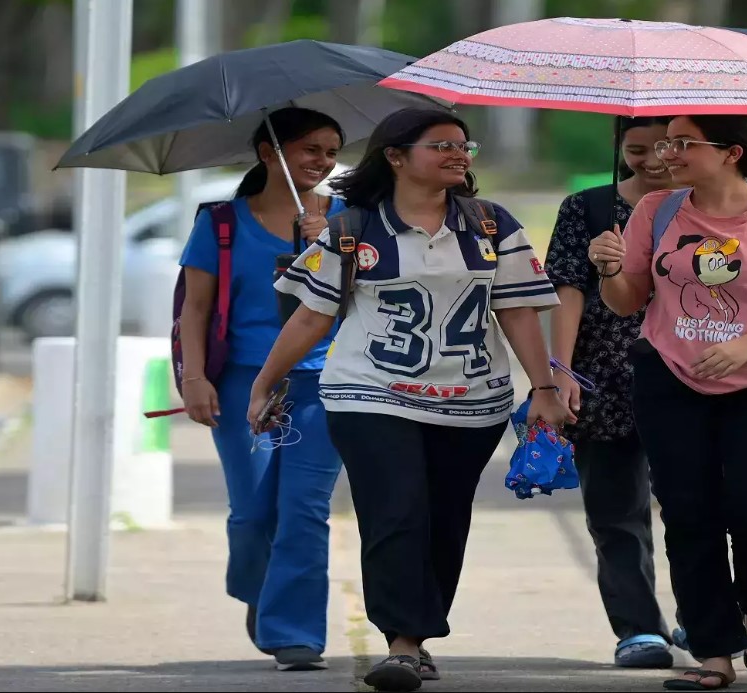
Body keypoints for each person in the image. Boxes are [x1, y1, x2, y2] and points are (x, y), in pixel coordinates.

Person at [248, 107, 574, 692]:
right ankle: (402, 643)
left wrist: (544, 388)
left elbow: (518, 313)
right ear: (396, 157)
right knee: (395, 511)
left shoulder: (493, 226)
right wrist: (265, 380)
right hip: (369, 394)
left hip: (474, 401)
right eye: (441, 145)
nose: (459, 154)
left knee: (444, 520)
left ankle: (417, 636)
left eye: (463, 145)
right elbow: (309, 317)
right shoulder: (352, 229)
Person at [590, 114, 747, 691]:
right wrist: (608, 269)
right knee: (688, 514)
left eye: (682, 143)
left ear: (731, 152)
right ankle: (712, 652)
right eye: (663, 143)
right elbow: (628, 302)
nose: (666, 153)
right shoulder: (657, 211)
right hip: (670, 378)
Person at [177, 107, 348, 672]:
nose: (322, 162)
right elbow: (195, 309)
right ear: (268, 152)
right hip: (240, 385)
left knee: (303, 508)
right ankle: (263, 591)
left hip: (322, 382)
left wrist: (327, 245)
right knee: (252, 511)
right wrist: (195, 378)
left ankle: (295, 631)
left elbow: (368, 295)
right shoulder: (221, 224)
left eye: (330, 151)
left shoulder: (347, 219)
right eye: (310, 150)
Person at [544, 116, 681, 669]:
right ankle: (638, 629)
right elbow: (566, 289)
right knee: (615, 510)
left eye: (663, 148)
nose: (649, 161)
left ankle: (704, 614)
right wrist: (560, 369)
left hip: (697, 373)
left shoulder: (712, 210)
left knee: (697, 507)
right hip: (605, 372)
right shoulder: (589, 208)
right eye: (635, 149)